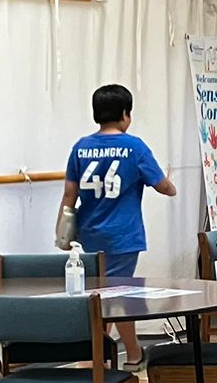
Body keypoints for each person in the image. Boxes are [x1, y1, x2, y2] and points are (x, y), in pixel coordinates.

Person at [58, 82, 176, 365]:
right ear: (125, 114)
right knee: (117, 297)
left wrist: (62, 234)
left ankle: (111, 355)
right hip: (123, 237)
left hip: (89, 235)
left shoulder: (81, 147)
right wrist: (171, 184)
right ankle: (107, 358)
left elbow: (69, 195)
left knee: (100, 295)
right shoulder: (134, 147)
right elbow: (163, 186)